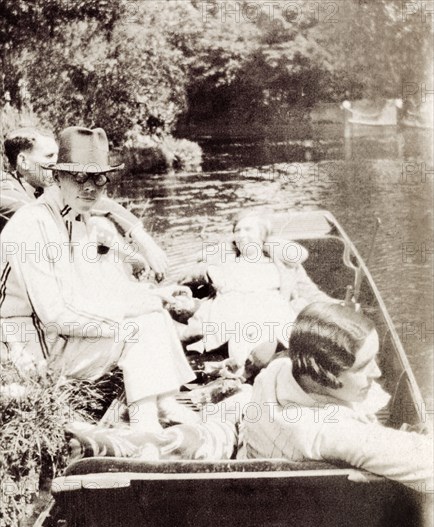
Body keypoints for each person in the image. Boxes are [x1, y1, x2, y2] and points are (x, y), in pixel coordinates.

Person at [0, 126, 198, 433]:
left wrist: (154, 298)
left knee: (153, 317)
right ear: (56, 177)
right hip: (27, 350)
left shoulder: (78, 219)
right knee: (138, 328)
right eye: (78, 177)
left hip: (58, 339)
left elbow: (93, 295)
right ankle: (147, 428)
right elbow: (55, 315)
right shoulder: (33, 224)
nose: (90, 187)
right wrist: (127, 317)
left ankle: (163, 408)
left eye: (98, 178)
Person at [241, 302, 433, 491]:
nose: (377, 372)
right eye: (363, 366)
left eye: (375, 358)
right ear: (321, 375)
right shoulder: (329, 431)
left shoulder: (277, 370)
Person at [0, 126, 168, 278]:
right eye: (50, 156)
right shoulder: (6, 194)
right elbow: (56, 214)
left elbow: (91, 203)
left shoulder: (35, 187)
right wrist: (130, 253)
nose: (59, 162)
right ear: (23, 161)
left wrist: (138, 236)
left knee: (98, 225)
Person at [177, 210, 334, 371]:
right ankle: (245, 365)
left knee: (268, 328)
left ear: (262, 234)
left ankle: (253, 363)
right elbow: (185, 278)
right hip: (228, 319)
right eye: (237, 231)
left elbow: (306, 284)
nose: (241, 235)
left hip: (270, 317)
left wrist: (334, 305)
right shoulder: (223, 261)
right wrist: (211, 266)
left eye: (248, 229)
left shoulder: (281, 264)